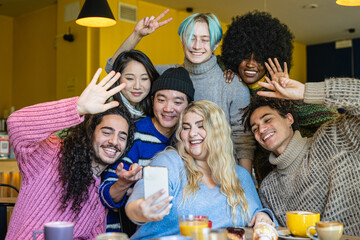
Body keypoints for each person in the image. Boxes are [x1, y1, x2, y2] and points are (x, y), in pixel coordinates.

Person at [105, 9, 254, 174]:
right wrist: (137, 35)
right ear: (182, 40)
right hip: (180, 173)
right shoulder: (168, 76)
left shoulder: (232, 85)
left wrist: (243, 184)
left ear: (215, 44)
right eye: (191, 38)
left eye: (205, 40)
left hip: (222, 175)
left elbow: (244, 143)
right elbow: (113, 69)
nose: (197, 45)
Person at [5, 69, 135, 240]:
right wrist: (78, 107)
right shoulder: (51, 155)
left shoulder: (100, 194)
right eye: (107, 131)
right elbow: (16, 124)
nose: (114, 141)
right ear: (90, 133)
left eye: (122, 136)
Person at [125, 100, 277, 240]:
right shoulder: (170, 162)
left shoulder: (240, 175)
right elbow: (136, 205)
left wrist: (262, 215)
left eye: (200, 125)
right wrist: (141, 210)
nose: (192, 133)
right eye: (186, 127)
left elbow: (259, 216)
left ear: (218, 132)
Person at [221, 11, 338, 183]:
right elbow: (209, 61)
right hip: (265, 184)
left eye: (259, 58)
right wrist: (225, 66)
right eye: (244, 56)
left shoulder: (280, 90)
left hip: (307, 173)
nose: (251, 64)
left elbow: (331, 118)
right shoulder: (232, 84)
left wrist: (288, 98)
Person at [241, 74, 360, 236]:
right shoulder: (268, 188)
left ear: (289, 119)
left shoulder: (332, 138)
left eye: (267, 120)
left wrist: (306, 92)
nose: (261, 130)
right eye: (255, 129)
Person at [100, 67, 194, 233]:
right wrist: (124, 184)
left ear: (189, 106)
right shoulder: (134, 134)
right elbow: (107, 193)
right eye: (161, 100)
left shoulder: (192, 140)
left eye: (178, 102)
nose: (168, 108)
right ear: (152, 100)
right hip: (128, 231)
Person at [111, 49, 159, 120]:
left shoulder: (154, 108)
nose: (137, 86)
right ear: (117, 80)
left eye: (144, 78)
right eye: (130, 78)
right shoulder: (108, 110)